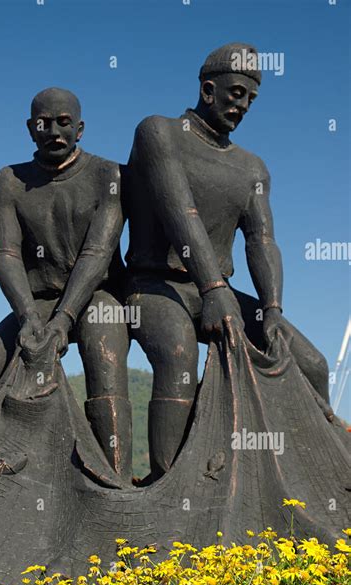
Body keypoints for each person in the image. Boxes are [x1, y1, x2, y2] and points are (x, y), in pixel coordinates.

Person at [125, 43, 331, 480]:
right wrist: (214, 289)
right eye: (236, 93)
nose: (243, 106)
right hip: (153, 286)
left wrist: (272, 309)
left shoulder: (251, 168)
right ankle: (168, 484)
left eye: (251, 99)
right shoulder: (159, 132)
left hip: (217, 292)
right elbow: (178, 210)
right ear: (207, 88)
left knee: (311, 364)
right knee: (178, 352)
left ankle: (309, 478)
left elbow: (262, 241)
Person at [0, 87, 132, 481]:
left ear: (80, 129)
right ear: (29, 129)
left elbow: (97, 252)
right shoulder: (9, 181)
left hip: (95, 294)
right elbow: (6, 255)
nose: (53, 130)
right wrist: (28, 315)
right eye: (43, 123)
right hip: (35, 301)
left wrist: (65, 319)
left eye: (64, 123)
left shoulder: (108, 175)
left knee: (105, 366)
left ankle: (114, 482)